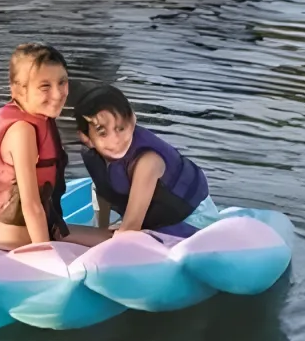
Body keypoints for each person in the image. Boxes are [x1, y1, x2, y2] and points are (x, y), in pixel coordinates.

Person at [0, 44, 111, 250]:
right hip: (18, 247)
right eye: (45, 86)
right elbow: (31, 206)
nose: (58, 93)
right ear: (17, 90)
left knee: (124, 240)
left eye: (62, 82)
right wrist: (47, 257)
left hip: (48, 231)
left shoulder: (41, 119)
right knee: (122, 246)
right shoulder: (22, 132)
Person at [74, 83, 218, 238]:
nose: (115, 140)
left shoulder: (147, 162)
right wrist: (100, 227)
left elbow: (129, 232)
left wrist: (63, 233)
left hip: (191, 219)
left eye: (121, 128)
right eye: (103, 133)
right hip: (152, 218)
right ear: (86, 138)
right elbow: (102, 187)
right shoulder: (94, 153)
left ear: (133, 120)